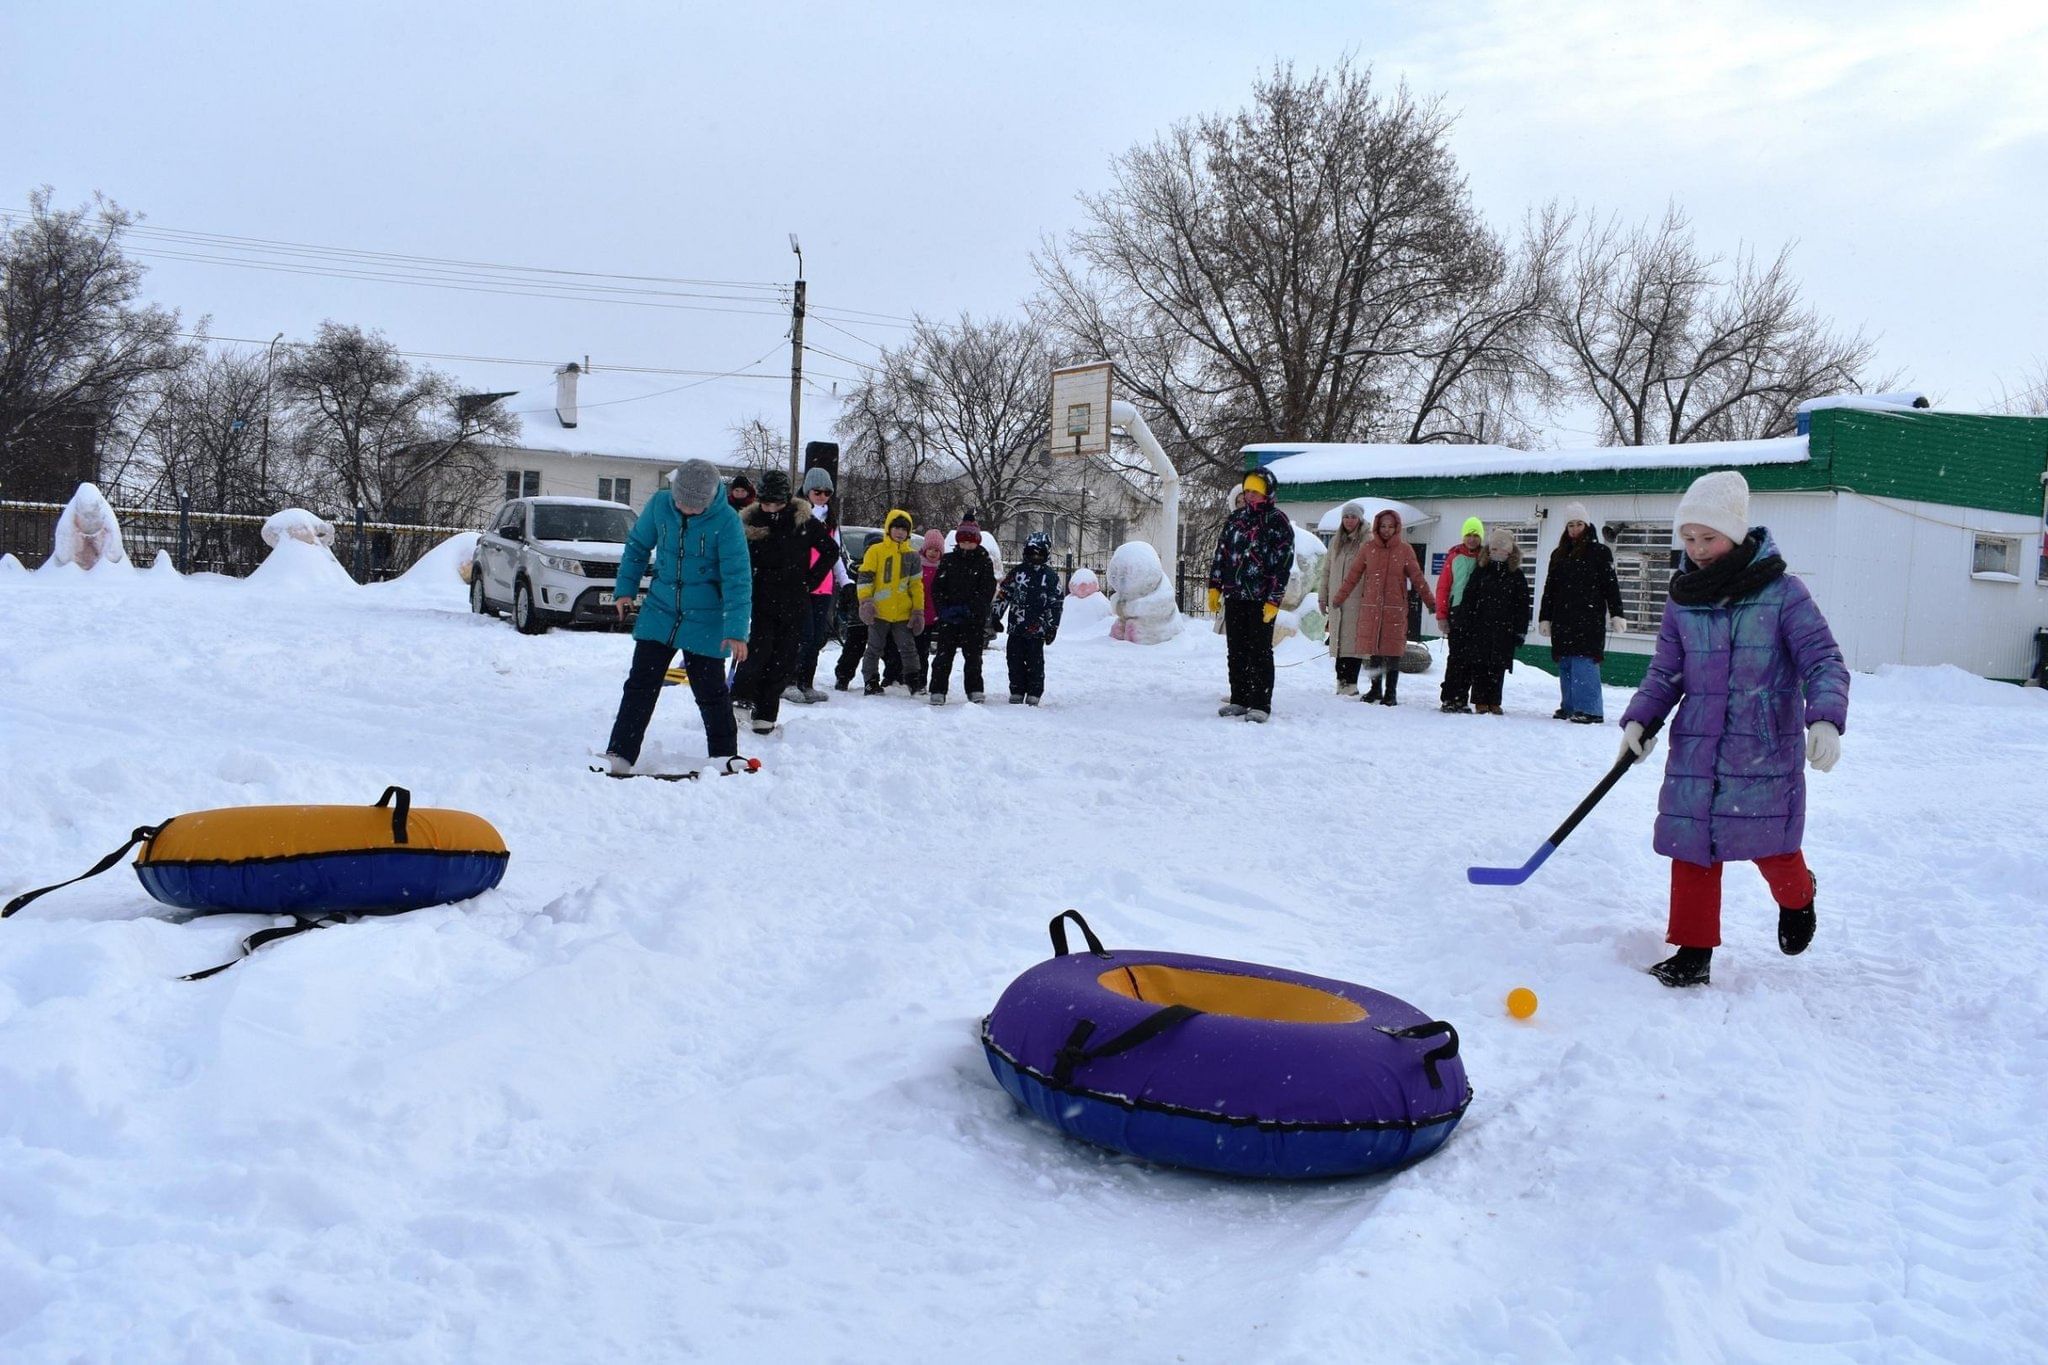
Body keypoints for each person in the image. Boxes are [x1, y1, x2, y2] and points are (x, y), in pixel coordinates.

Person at [1617, 470, 1849, 988]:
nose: (1697, 550)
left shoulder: (1784, 593)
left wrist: (1826, 718)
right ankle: (1693, 949)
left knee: (1772, 845)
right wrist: (1641, 717)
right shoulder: (1684, 598)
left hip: (1761, 748)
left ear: (1738, 534)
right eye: (1688, 538)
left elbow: (1823, 661)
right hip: (1697, 745)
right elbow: (1667, 671)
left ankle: (1799, 896)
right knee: (1692, 844)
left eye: (1709, 538)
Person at [600, 460, 751, 772]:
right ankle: (620, 754)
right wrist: (625, 589)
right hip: (660, 611)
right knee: (640, 686)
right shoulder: (660, 505)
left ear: (710, 499)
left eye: (695, 506)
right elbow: (637, 547)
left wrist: (736, 630)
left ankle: (724, 755)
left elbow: (738, 578)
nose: (686, 510)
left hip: (706, 619)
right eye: (681, 502)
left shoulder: (727, 521)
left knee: (711, 692)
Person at [736, 469, 838, 736]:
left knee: (783, 658)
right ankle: (740, 700)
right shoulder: (750, 521)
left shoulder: (802, 520)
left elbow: (831, 551)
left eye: (777, 503)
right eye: (767, 502)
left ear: (787, 499)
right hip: (761, 599)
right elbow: (736, 558)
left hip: (795, 600)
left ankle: (766, 714)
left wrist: (810, 581)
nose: (771, 508)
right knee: (757, 651)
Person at [1207, 466, 1295, 722]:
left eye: (1255, 491)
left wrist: (1274, 600)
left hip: (1261, 599)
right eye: (1247, 491)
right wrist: (1215, 586)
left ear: (1267, 492)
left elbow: (1283, 564)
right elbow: (1221, 553)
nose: (1250, 496)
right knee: (1236, 651)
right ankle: (1240, 699)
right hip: (1235, 596)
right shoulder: (1235, 520)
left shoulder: (1278, 521)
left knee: (1260, 651)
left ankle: (1260, 703)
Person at [1332, 507, 1433, 707]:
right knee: (1374, 651)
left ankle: (1391, 693)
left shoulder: (1404, 550)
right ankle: (1375, 689)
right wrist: (1339, 598)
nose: (1386, 530)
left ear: (1397, 528)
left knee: (1393, 652)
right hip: (1371, 608)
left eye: (1390, 526)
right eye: (1383, 526)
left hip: (1394, 609)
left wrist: (1430, 602)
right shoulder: (1368, 549)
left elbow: (1417, 578)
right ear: (1377, 526)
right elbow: (1353, 576)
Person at [1538, 502, 1627, 723]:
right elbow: (1550, 589)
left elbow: (1611, 586)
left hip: (1589, 619)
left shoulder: (1600, 552)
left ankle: (1590, 709)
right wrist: (1545, 617)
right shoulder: (1558, 555)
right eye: (1571, 525)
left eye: (1579, 524)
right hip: (1563, 619)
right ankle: (1569, 706)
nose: (1575, 529)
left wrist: (1617, 613)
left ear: (1586, 525)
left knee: (1584, 662)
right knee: (1566, 662)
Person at [1456, 527, 1532, 715]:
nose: (1498, 553)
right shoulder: (1481, 571)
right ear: (1489, 550)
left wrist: (1520, 630)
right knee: (1480, 665)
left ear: (1510, 551)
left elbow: (1522, 605)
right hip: (1480, 628)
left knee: (1498, 667)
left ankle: (1494, 701)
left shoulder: (1516, 576)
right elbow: (1469, 599)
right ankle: (1480, 700)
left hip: (1504, 631)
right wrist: (1465, 623)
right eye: (1494, 549)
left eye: (1503, 549)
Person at [926, 514, 997, 705]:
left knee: (973, 658)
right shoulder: (949, 560)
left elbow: (987, 590)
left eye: (970, 542)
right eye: (963, 542)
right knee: (943, 657)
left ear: (977, 542)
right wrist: (944, 610)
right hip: (949, 618)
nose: (967, 545)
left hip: (972, 620)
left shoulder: (984, 562)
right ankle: (938, 689)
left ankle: (974, 689)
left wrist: (972, 610)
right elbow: (937, 589)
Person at [787, 466, 843, 704]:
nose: (821, 497)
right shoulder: (797, 515)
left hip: (824, 586)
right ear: (807, 491)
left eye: (826, 493)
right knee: (803, 634)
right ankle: (788, 680)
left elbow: (836, 554)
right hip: (800, 585)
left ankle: (806, 682)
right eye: (817, 492)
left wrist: (846, 581)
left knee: (818, 637)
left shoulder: (830, 520)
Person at [858, 509, 925, 695]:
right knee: (874, 648)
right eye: (896, 527)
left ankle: (913, 680)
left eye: (904, 529)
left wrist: (918, 611)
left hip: (903, 613)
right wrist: (865, 602)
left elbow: (916, 586)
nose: (900, 532)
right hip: (878, 612)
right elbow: (865, 579)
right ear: (888, 528)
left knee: (908, 648)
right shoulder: (876, 551)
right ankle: (870, 681)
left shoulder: (912, 556)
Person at [997, 531, 1063, 705]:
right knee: (1014, 660)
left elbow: (1055, 604)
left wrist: (1052, 626)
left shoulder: (1050, 577)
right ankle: (1017, 689)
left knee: (1035, 662)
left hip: (1037, 629)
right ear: (1026, 552)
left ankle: (1034, 691)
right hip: (1016, 627)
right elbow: (1004, 594)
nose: (1035, 556)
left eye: (1039, 553)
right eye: (1032, 553)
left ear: (1046, 554)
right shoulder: (1017, 573)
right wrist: (995, 615)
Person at [1435, 517, 1485, 712]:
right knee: (1456, 657)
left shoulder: (1484, 558)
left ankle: (1461, 698)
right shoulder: (1454, 557)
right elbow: (1443, 587)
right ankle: (1448, 697)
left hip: (1477, 615)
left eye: (1475, 535)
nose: (1472, 539)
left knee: (1471, 659)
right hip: (1457, 611)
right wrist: (1442, 615)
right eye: (1468, 535)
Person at [1319, 502, 1369, 695]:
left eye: (1353, 517)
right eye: (1346, 517)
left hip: (1357, 599)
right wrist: (1323, 597)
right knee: (1338, 641)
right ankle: (1341, 681)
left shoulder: (1367, 541)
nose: (1349, 520)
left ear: (1360, 519)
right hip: (1336, 600)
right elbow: (1327, 571)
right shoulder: (1336, 541)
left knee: (1353, 643)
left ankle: (1351, 683)